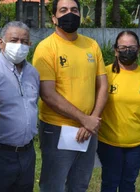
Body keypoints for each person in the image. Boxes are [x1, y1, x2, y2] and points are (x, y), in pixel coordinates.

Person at [32, 0, 108, 190]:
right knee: (54, 185)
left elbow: (103, 86)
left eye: (74, 10)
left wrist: (91, 120)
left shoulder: (92, 45)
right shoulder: (46, 48)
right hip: (57, 129)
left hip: (89, 128)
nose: (70, 14)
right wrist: (84, 119)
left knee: (79, 183)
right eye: (63, 10)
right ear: (54, 18)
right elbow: (47, 94)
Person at [97, 30, 140, 192]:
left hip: (138, 144)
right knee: (110, 183)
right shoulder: (105, 74)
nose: (127, 51)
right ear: (116, 50)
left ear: (138, 49)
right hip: (109, 142)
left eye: (131, 47)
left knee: (128, 183)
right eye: (123, 47)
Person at [0, 21, 39, 192]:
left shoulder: (33, 73)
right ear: (1, 43)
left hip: (27, 153)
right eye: (14, 40)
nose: (19, 46)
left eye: (24, 42)